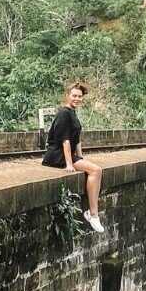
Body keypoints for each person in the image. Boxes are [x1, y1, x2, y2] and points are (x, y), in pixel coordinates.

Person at [42, 82, 104, 232]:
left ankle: (93, 214)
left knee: (94, 169)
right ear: (67, 96)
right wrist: (70, 164)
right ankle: (93, 214)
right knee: (96, 170)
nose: (77, 99)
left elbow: (77, 138)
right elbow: (65, 140)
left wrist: (81, 158)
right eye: (74, 96)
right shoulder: (64, 113)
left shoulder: (72, 113)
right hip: (57, 155)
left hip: (66, 154)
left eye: (80, 96)